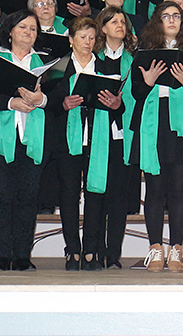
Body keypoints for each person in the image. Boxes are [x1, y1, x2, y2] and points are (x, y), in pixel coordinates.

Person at [129, 1, 183, 273]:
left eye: (177, 16)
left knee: (178, 188)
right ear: (157, 21)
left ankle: (176, 249)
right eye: (166, 16)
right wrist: (148, 81)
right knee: (154, 188)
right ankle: (155, 249)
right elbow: (136, 94)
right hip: (154, 123)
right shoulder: (145, 52)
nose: (172, 20)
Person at [0, 10, 49, 271]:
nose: (29, 32)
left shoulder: (46, 64)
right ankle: (2, 253)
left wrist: (42, 100)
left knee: (28, 195)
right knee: (0, 194)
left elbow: (58, 99)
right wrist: (10, 102)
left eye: (33, 29)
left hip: (34, 136)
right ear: (10, 31)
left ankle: (23, 254)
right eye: (23, 27)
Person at [46, 17, 121, 271]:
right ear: (70, 40)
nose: (87, 42)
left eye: (91, 37)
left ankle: (91, 249)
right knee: (68, 194)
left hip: (97, 138)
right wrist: (62, 104)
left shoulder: (105, 67)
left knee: (95, 193)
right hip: (67, 139)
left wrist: (116, 105)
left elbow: (120, 105)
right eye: (82, 37)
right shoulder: (58, 67)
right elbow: (48, 104)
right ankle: (72, 250)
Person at [93, 7, 140, 269]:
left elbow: (137, 98)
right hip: (98, 134)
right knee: (97, 195)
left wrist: (119, 105)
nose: (120, 25)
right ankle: (96, 250)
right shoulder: (93, 59)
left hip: (123, 134)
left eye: (123, 21)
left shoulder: (133, 61)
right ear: (103, 28)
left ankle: (113, 254)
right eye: (114, 21)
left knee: (118, 199)